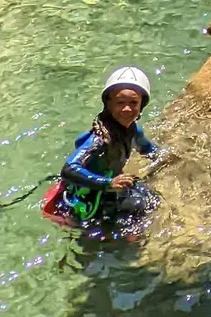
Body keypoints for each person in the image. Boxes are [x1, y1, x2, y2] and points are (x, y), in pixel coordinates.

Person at [55, 67, 164, 236]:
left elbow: (150, 151)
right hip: (90, 193)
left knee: (152, 200)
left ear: (142, 104)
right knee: (134, 210)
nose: (127, 109)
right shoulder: (99, 140)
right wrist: (108, 183)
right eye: (120, 103)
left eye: (133, 103)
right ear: (108, 104)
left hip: (108, 185)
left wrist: (170, 158)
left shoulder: (134, 131)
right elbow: (68, 169)